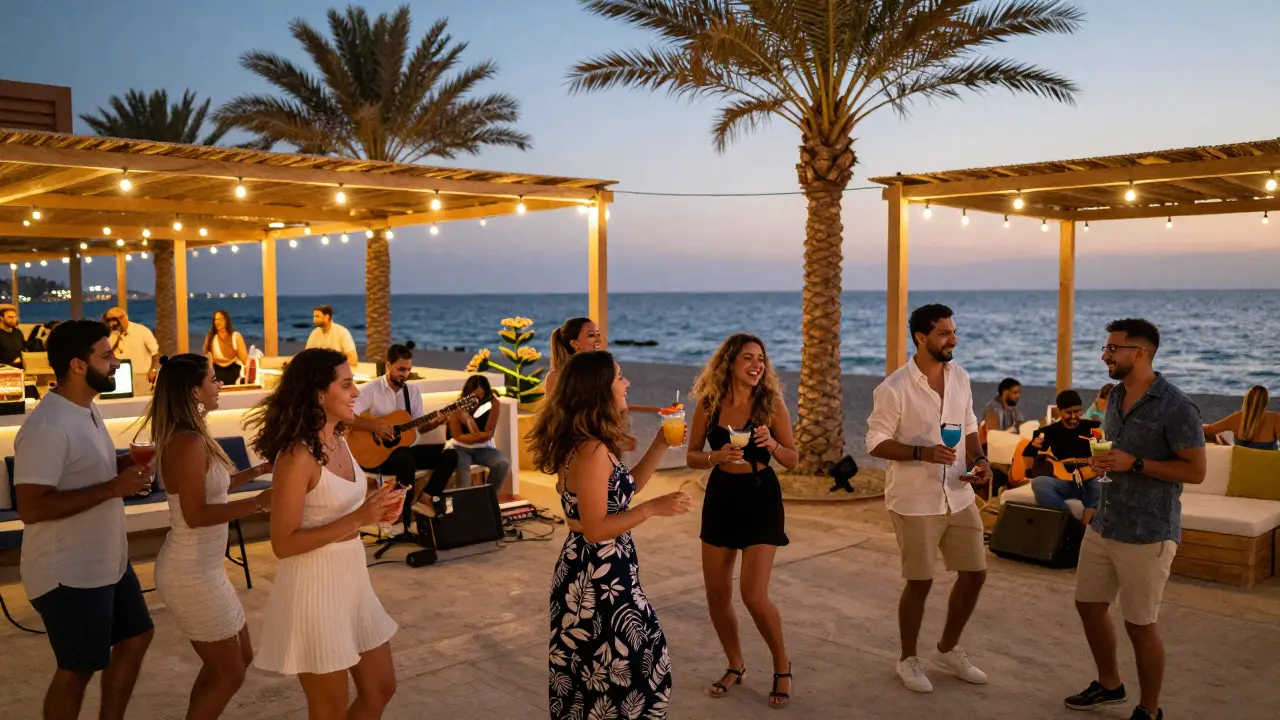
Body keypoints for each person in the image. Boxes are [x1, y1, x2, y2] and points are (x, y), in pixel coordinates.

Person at [528, 350, 690, 720]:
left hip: (607, 572)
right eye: (619, 376)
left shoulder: (594, 443)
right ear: (599, 389)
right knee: (626, 678)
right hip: (596, 579)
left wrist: (661, 444)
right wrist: (653, 509)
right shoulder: (591, 450)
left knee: (614, 676)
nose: (627, 382)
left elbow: (625, 488)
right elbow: (597, 527)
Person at [244, 348, 404, 717]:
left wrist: (377, 509)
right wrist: (359, 518)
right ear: (319, 394)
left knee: (381, 687)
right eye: (346, 385)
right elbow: (283, 544)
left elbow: (341, 508)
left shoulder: (340, 438)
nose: (357, 394)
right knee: (328, 709)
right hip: (315, 590)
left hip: (352, 581)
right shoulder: (297, 456)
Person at [13, 320, 156, 719]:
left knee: (137, 635)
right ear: (78, 364)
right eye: (106, 355)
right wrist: (114, 488)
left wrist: (126, 466)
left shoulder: (86, 409)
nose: (115, 362)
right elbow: (33, 508)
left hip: (105, 560)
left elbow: (87, 470)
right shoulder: (47, 426)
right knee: (77, 669)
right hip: (68, 572)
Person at [1065, 318, 1205, 720]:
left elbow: (1195, 472)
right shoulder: (1115, 398)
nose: (1104, 355)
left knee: (1139, 625)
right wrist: (1101, 465)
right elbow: (1115, 458)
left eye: (1113, 349)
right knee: (1089, 606)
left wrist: (1137, 463)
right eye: (1106, 348)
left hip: (1148, 533)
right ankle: (1110, 686)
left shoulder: (1177, 406)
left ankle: (1149, 709)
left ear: (1140, 353)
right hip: (1105, 523)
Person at [866, 303, 993, 694]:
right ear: (921, 337)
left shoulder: (961, 378)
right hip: (915, 501)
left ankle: (947, 648)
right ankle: (908, 659)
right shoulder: (894, 388)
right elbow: (874, 442)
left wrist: (981, 459)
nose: (952, 339)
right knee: (920, 582)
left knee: (975, 574)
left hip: (958, 492)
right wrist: (920, 453)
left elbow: (969, 424)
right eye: (943, 333)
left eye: (954, 331)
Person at [142, 353, 273, 719]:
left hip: (206, 569)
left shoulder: (194, 434)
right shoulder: (187, 441)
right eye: (214, 379)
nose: (221, 385)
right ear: (194, 391)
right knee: (229, 671)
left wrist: (259, 470)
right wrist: (260, 504)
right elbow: (196, 514)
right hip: (189, 573)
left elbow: (216, 487)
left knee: (237, 661)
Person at [686, 333, 798, 708]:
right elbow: (691, 455)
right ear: (730, 362)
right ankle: (735, 664)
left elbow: (793, 459)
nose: (756, 365)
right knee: (717, 594)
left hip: (760, 495)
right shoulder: (710, 403)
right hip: (721, 497)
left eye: (761, 359)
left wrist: (773, 445)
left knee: (753, 594)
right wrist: (714, 458)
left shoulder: (771, 405)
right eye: (748, 358)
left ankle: (782, 666)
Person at [348, 343, 458, 517]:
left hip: (405, 453)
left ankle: (426, 497)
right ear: (388, 365)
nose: (404, 375)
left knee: (451, 455)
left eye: (408, 370)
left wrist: (436, 422)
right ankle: (403, 516)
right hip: (377, 456)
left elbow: (419, 427)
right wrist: (378, 427)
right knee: (405, 457)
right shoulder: (372, 390)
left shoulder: (412, 391)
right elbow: (348, 418)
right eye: (400, 369)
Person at [545, 316, 662, 415]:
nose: (599, 340)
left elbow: (612, 405)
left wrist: (657, 410)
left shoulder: (599, 370)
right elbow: (551, 416)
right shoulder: (556, 377)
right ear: (575, 343)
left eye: (598, 334)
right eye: (591, 335)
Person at [1026, 389, 1102, 526]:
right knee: (1039, 483)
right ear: (1059, 411)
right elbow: (1028, 454)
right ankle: (1069, 522)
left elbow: (1106, 454)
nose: (1074, 416)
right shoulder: (1048, 432)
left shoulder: (1093, 427)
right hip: (1066, 481)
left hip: (1091, 479)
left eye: (1077, 411)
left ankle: (1088, 522)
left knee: (1100, 484)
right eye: (1068, 412)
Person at [446, 374, 512, 494]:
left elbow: (488, 436)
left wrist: (469, 421)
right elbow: (457, 436)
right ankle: (462, 504)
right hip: (460, 449)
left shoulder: (493, 403)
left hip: (485, 449)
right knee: (463, 474)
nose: (479, 399)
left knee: (503, 464)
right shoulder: (457, 406)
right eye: (475, 396)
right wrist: (478, 435)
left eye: (482, 395)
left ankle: (488, 497)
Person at [1203, 385, 1279, 450]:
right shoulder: (1274, 418)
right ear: (1266, 401)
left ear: (1246, 399)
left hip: (1241, 463)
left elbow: (1208, 430)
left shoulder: (1238, 417)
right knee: (1225, 434)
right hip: (1268, 464)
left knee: (1222, 434)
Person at [104, 306, 159, 387]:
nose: (111, 322)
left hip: (142, 376)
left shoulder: (141, 331)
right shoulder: (110, 335)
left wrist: (153, 370)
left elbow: (155, 353)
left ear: (123, 318)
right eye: (108, 320)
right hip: (120, 378)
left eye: (113, 319)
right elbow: (105, 354)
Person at [203, 310, 248, 386]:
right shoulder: (211, 337)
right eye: (215, 319)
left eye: (220, 319)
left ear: (226, 321)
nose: (217, 322)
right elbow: (206, 355)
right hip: (217, 373)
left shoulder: (236, 336)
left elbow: (244, 359)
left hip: (234, 372)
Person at [0, 303, 24, 367]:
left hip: (20, 366)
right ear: (1, 318)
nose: (13, 320)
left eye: (15, 317)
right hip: (4, 368)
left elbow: (23, 349)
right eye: (10, 317)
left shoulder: (17, 332)